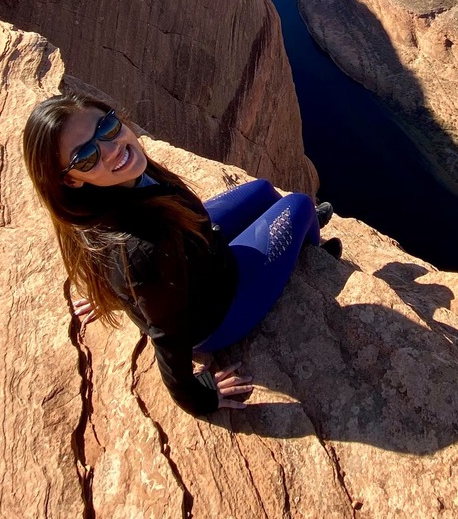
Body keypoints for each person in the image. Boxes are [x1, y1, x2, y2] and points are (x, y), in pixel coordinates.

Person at [23, 90, 338, 415]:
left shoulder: (116, 183)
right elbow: (167, 338)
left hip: (199, 246)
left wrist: (116, 293)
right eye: (87, 156)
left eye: (106, 127)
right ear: (71, 181)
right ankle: (317, 253)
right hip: (219, 307)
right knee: (300, 205)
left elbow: (114, 263)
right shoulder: (141, 250)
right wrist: (199, 398)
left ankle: (300, 231)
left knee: (263, 190)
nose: (111, 148)